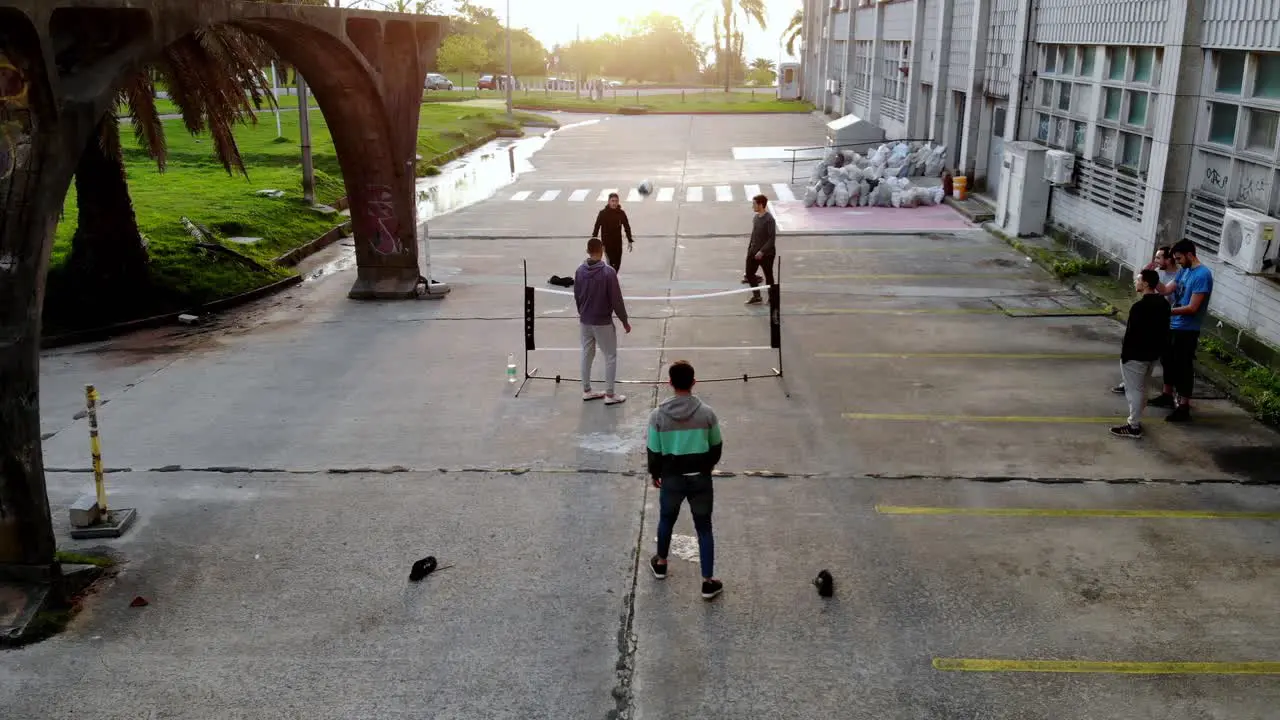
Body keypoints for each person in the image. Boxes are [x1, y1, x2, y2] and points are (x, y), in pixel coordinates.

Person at [647, 361, 725, 600]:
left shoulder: (658, 415)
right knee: (704, 528)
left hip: (672, 478)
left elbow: (653, 450)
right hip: (699, 478)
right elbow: (717, 446)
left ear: (670, 383)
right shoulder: (707, 413)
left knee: (666, 520)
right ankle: (708, 582)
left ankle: (661, 563)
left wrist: (656, 473)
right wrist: (707, 466)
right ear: (693, 382)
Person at [1149, 239, 1213, 422]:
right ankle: (1167, 395)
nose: (1177, 262)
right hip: (1172, 324)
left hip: (1187, 329)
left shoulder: (1202, 275)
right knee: (1168, 361)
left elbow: (1193, 308)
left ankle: (1184, 406)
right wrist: (1152, 278)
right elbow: (1167, 290)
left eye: (1179, 258)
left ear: (1190, 255)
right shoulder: (1184, 271)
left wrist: (1166, 312)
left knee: (1183, 367)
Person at [1111, 269, 1171, 439]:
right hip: (1152, 354)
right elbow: (1165, 330)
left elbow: (1132, 333)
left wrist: (1126, 354)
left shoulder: (1139, 307)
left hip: (1135, 355)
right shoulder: (1164, 304)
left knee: (1134, 390)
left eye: (1138, 280)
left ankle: (1133, 425)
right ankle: (1136, 421)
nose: (1136, 282)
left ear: (1145, 283)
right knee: (1142, 388)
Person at [1111, 246, 1178, 394]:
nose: (1155, 261)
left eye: (1159, 258)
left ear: (1168, 259)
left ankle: (1168, 392)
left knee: (1164, 358)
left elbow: (1164, 291)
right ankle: (1129, 383)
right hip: (1152, 317)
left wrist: (1150, 276)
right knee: (1140, 352)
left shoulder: (1177, 277)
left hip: (1167, 320)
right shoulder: (1158, 274)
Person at [574, 237, 631, 405]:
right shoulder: (608, 273)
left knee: (586, 353)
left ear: (587, 251)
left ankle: (586, 390)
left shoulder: (579, 271)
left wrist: (582, 313)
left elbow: (577, 295)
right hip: (603, 322)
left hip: (585, 320)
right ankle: (610, 394)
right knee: (610, 356)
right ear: (602, 249)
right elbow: (616, 300)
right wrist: (624, 321)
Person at [744, 194, 777, 306]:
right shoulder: (756, 218)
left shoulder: (769, 220)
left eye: (754, 204)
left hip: (766, 254)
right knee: (749, 274)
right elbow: (754, 235)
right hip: (753, 252)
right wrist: (750, 249)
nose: (752, 206)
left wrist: (762, 251)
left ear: (761, 205)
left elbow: (771, 239)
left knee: (768, 275)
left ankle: (772, 297)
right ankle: (757, 296)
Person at [591, 193, 633, 273]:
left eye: (616, 201)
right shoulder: (603, 213)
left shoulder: (621, 213)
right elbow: (597, 226)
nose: (614, 203)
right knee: (610, 263)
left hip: (618, 242)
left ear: (618, 202)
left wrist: (630, 240)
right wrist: (594, 240)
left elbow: (626, 227)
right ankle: (611, 280)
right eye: (612, 201)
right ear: (608, 201)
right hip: (606, 243)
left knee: (617, 263)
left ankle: (612, 277)